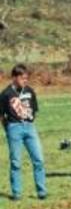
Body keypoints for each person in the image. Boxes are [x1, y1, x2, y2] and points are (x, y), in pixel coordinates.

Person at [0, 64, 47, 200]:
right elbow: (1, 115)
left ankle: (41, 191)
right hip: (14, 128)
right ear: (14, 78)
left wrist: (29, 122)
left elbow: (35, 109)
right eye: (22, 78)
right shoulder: (5, 94)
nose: (25, 81)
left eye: (26, 78)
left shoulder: (30, 91)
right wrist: (9, 129)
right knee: (16, 162)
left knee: (38, 159)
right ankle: (17, 193)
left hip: (30, 127)